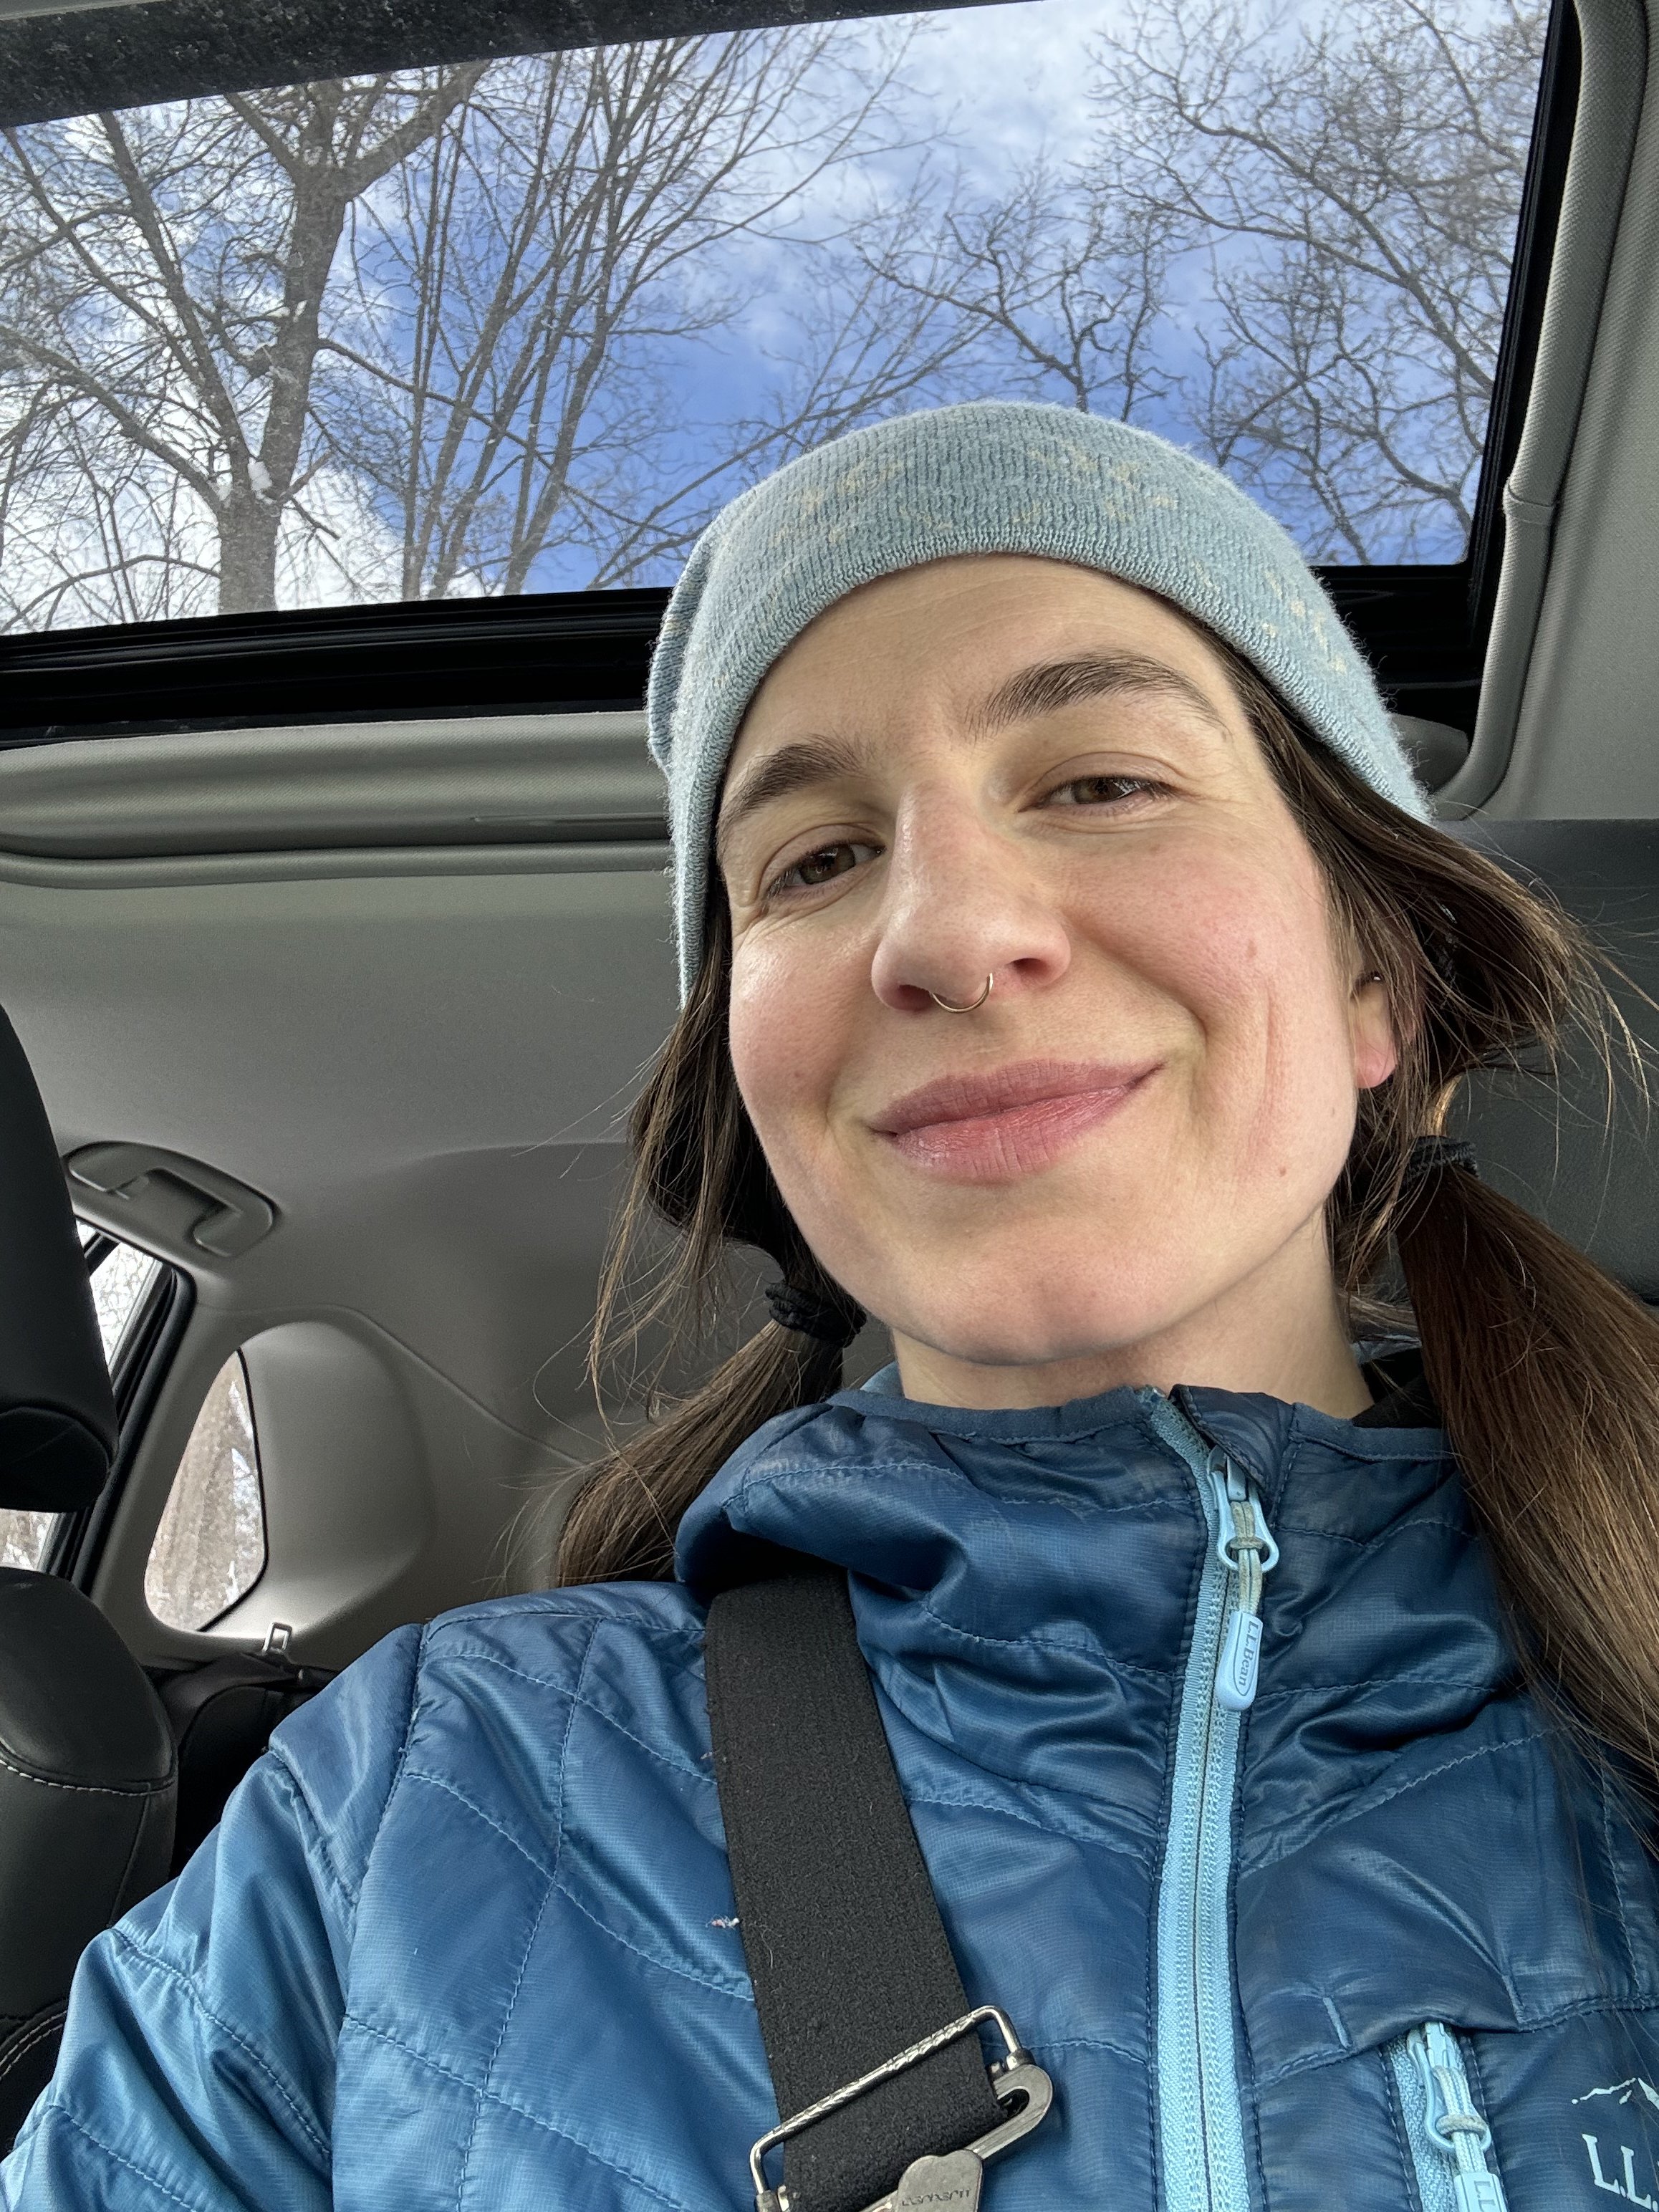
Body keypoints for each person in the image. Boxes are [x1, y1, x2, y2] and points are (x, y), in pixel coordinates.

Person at [7, 400, 1659, 2212]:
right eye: (813, 858)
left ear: (1378, 986)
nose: (944, 932)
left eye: (1100, 780)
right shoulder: (408, 1797)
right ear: (756, 1078)